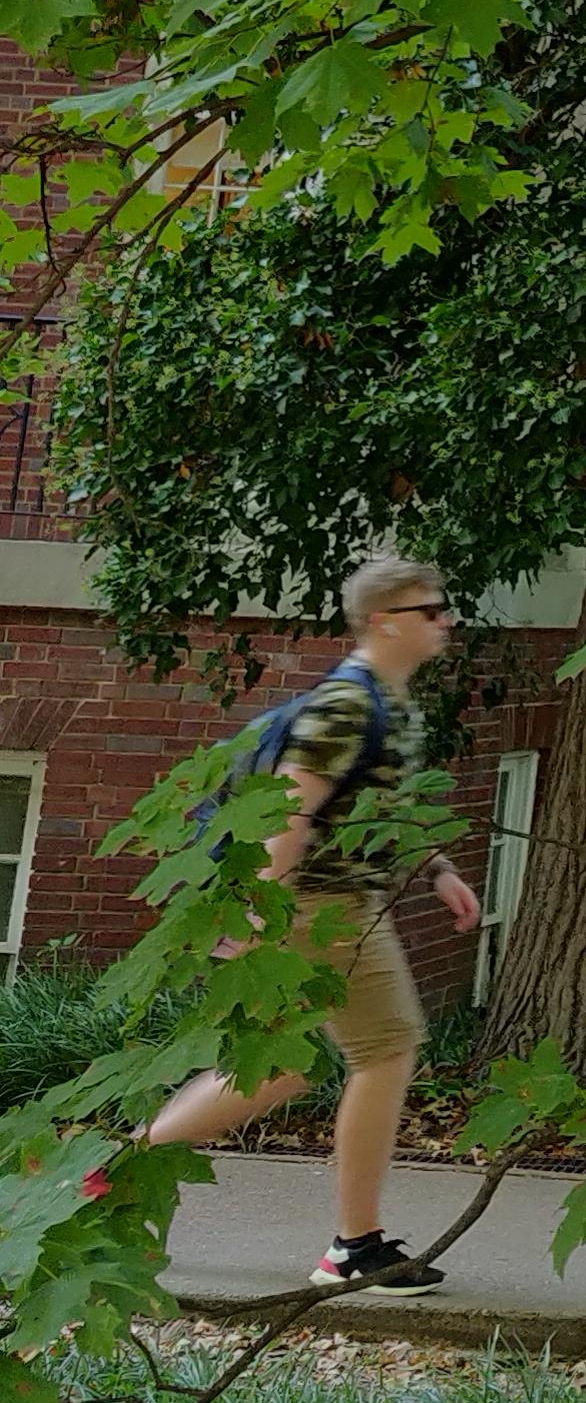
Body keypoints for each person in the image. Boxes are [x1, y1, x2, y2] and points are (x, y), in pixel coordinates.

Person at [134, 553, 485, 1291]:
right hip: (318, 907)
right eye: (431, 610)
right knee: (386, 1048)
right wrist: (264, 915)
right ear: (385, 620)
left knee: (282, 1067)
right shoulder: (347, 706)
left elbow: (377, 810)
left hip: (330, 904)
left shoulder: (389, 702)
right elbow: (287, 816)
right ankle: (353, 1245)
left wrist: (438, 869)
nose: (445, 621)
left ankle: (114, 1172)